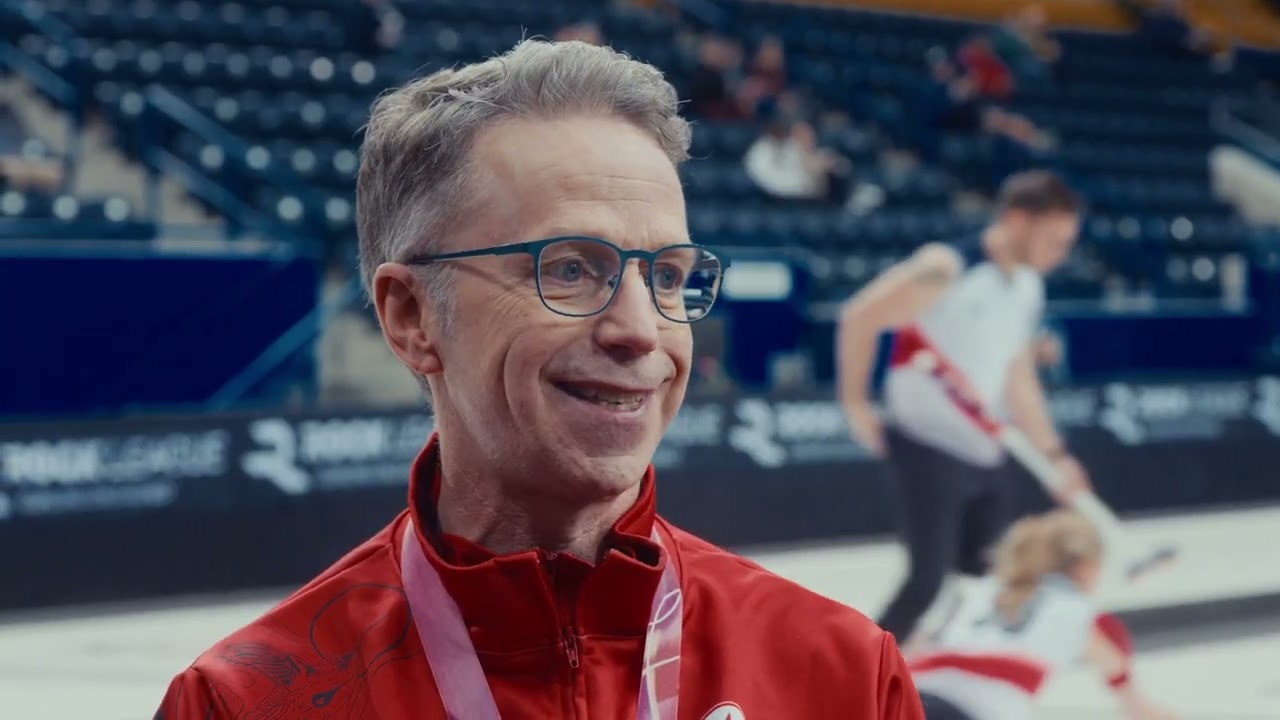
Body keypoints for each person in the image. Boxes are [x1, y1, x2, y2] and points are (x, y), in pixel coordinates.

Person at [155, 40, 924, 719]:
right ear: (412, 317)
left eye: (667, 275)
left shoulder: (846, 678)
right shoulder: (245, 705)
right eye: (569, 268)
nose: (639, 330)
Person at [837, 169, 1089, 647]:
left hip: (984, 452)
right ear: (1018, 220)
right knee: (926, 583)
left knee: (988, 582)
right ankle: (855, 680)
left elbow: (1019, 381)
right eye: (1055, 240)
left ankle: (948, 684)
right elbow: (859, 316)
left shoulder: (1026, 288)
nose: (1062, 254)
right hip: (925, 443)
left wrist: (1056, 455)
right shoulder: (946, 268)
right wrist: (855, 403)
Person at [912, 510, 1178, 720]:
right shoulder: (1082, 614)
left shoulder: (977, 590)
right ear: (1086, 567)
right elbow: (1131, 698)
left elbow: (914, 648)